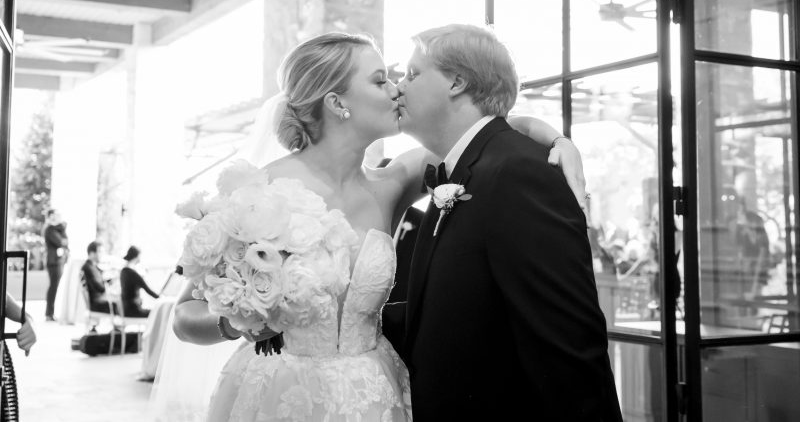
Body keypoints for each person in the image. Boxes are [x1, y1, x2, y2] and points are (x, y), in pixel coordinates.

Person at [169, 31, 587, 422]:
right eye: (380, 80)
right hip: (281, 393)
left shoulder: (392, 183)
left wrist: (559, 142)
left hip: (373, 392)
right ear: (337, 103)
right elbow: (184, 316)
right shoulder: (259, 189)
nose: (396, 89)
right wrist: (238, 322)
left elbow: (493, 131)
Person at [387, 24, 622, 421]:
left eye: (412, 74)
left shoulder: (517, 172)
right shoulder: (466, 167)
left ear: (457, 82)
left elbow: (568, 343)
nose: (398, 88)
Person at [119, 245, 160, 318]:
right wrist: (161, 297)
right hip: (133, 311)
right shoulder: (133, 273)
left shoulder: (123, 271)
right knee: (158, 313)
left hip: (125, 310)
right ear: (137, 256)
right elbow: (149, 291)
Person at [43, 209, 69, 321]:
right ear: (49, 217)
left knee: (54, 287)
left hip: (59, 261)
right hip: (54, 262)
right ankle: (49, 313)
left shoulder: (58, 229)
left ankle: (50, 313)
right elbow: (61, 242)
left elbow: (65, 241)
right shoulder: (49, 229)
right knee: (53, 287)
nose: (56, 218)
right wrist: (61, 227)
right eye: (53, 216)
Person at [81, 241, 118, 314]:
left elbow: (101, 284)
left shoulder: (93, 267)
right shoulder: (88, 268)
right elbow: (100, 288)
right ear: (91, 253)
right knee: (120, 304)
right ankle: (119, 324)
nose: (102, 255)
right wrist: (110, 283)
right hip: (96, 303)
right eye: (100, 252)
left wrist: (112, 280)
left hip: (99, 299)